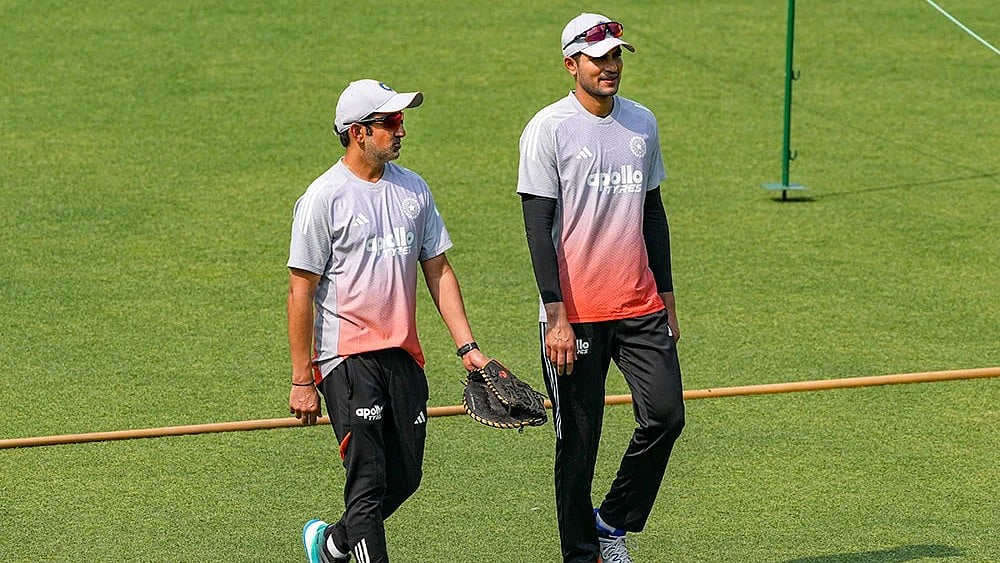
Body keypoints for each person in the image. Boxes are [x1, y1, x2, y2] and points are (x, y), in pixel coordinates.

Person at [287, 79, 490, 563]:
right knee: (367, 480)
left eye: (401, 120)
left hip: (402, 356)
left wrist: (469, 349)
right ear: (358, 133)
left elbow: (438, 269)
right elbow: (301, 291)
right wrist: (302, 379)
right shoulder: (324, 198)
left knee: (405, 477)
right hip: (346, 360)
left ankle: (333, 544)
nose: (401, 130)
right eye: (390, 122)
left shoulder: (413, 190)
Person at [517, 13, 686, 563]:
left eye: (617, 57)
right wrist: (556, 316)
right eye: (599, 58)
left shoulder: (642, 124)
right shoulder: (548, 129)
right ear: (572, 65)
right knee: (578, 445)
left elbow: (653, 215)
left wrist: (667, 298)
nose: (611, 67)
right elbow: (537, 227)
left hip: (639, 305)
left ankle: (612, 520)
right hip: (577, 316)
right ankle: (582, 555)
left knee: (665, 416)